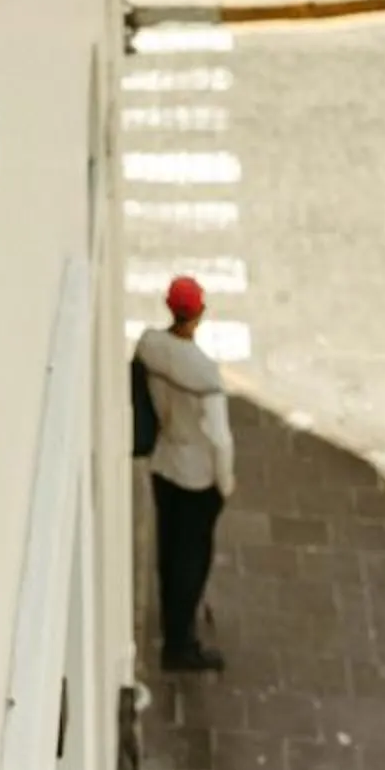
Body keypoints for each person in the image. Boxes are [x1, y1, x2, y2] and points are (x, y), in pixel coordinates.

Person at [138, 274, 236, 673]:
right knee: (192, 558)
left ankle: (173, 625)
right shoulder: (205, 373)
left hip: (164, 461)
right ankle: (182, 641)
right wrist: (225, 483)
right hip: (197, 475)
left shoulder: (150, 347)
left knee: (169, 549)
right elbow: (220, 438)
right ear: (198, 314)